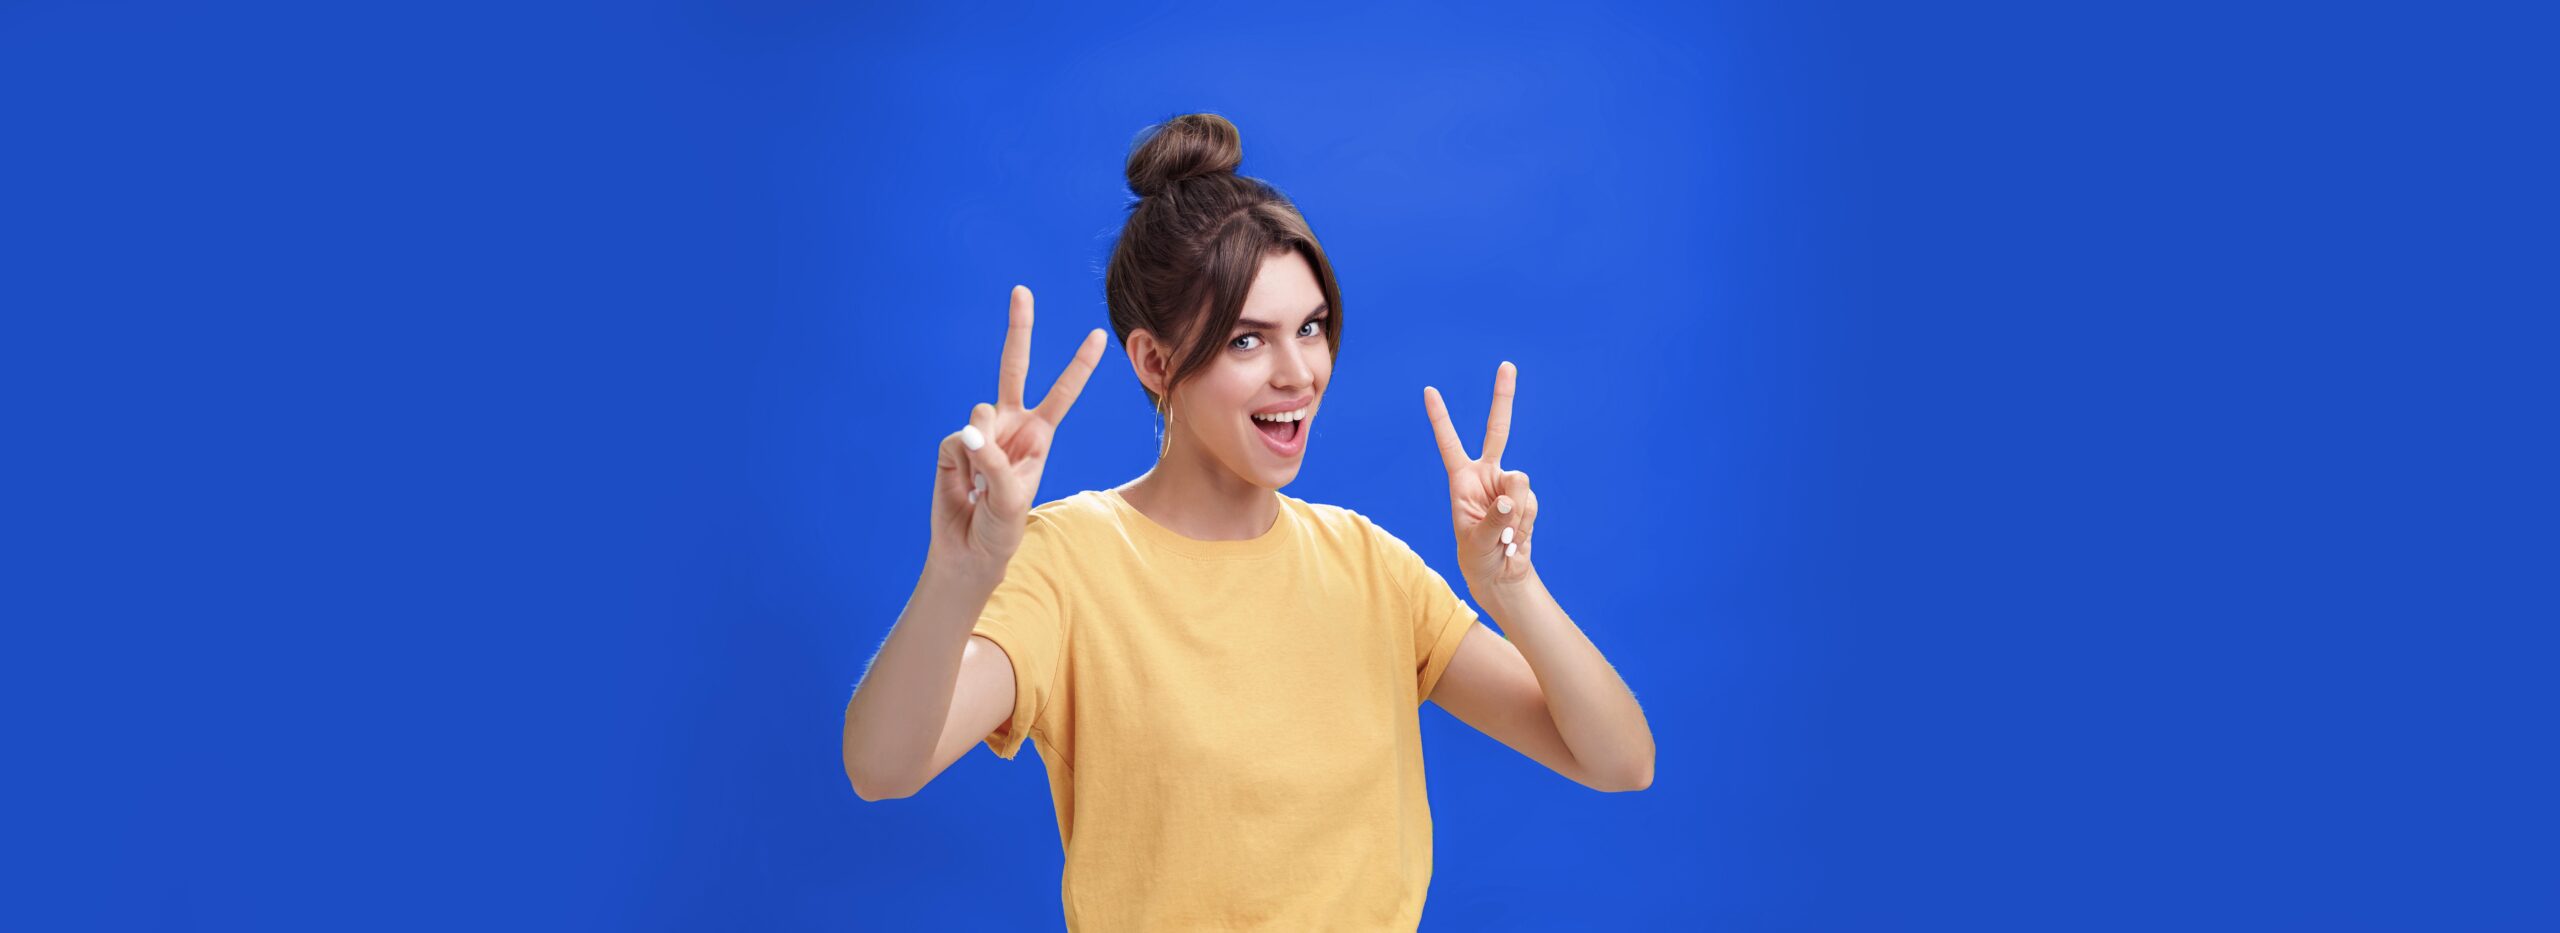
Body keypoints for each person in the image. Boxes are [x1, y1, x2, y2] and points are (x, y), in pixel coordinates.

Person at [841, 113, 1654, 930]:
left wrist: (1509, 588)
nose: (1298, 373)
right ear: (1155, 363)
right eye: (1246, 341)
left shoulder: (1369, 566)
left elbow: (1619, 759)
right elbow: (882, 767)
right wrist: (960, 573)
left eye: (1310, 327)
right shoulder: (1070, 561)